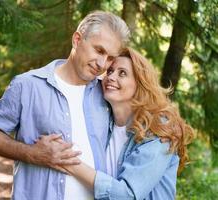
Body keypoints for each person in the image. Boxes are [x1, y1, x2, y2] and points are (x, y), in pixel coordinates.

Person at [0, 11, 130, 200]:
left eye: (111, 58)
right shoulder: (28, 85)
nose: (102, 64)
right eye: (99, 50)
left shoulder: (107, 95)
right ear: (77, 40)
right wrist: (31, 154)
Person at [41, 47, 194, 199]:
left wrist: (66, 161)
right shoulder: (103, 124)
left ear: (140, 83)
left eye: (122, 73)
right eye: (110, 71)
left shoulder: (158, 130)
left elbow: (127, 194)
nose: (111, 77)